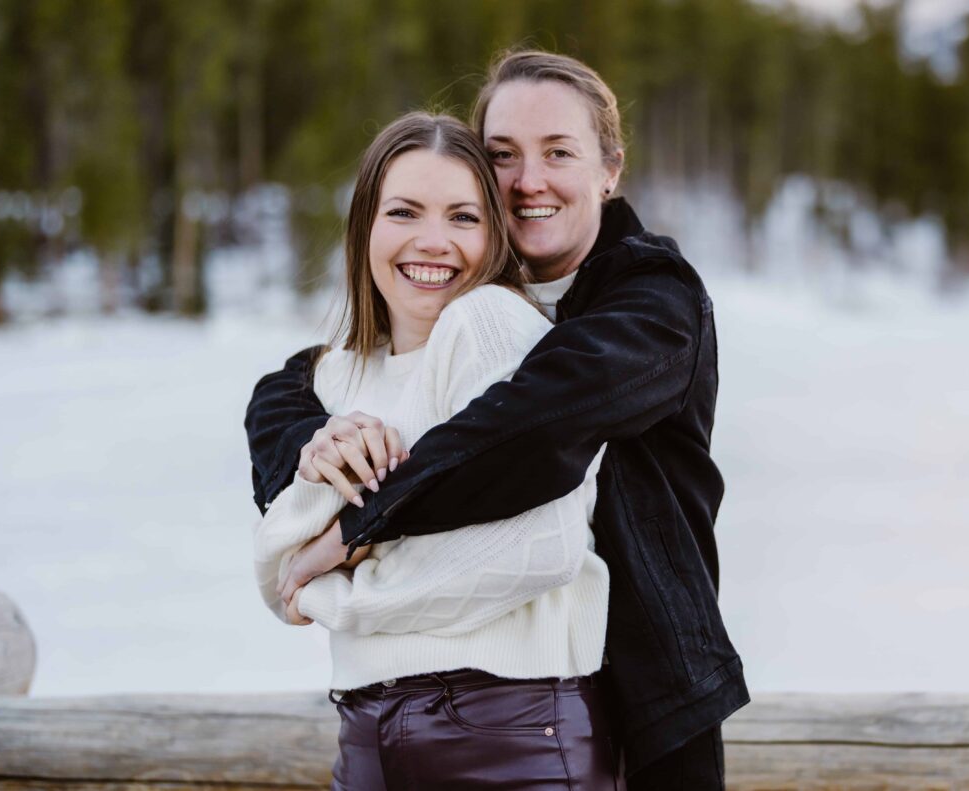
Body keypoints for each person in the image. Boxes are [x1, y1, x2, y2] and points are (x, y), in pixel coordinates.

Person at [246, 50, 749, 789]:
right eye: (503, 155)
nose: (528, 180)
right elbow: (289, 387)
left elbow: (531, 431)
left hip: (644, 695)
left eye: (558, 152)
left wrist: (354, 531)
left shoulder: (650, 302)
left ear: (610, 170)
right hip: (472, 705)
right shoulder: (448, 319)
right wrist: (313, 438)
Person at [252, 111, 619, 789]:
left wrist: (343, 591)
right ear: (365, 225)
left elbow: (535, 548)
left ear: (495, 237)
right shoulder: (334, 378)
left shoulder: (490, 325)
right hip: (366, 738)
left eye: (463, 217)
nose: (433, 242)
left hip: (510, 735)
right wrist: (319, 466)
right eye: (404, 212)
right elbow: (277, 564)